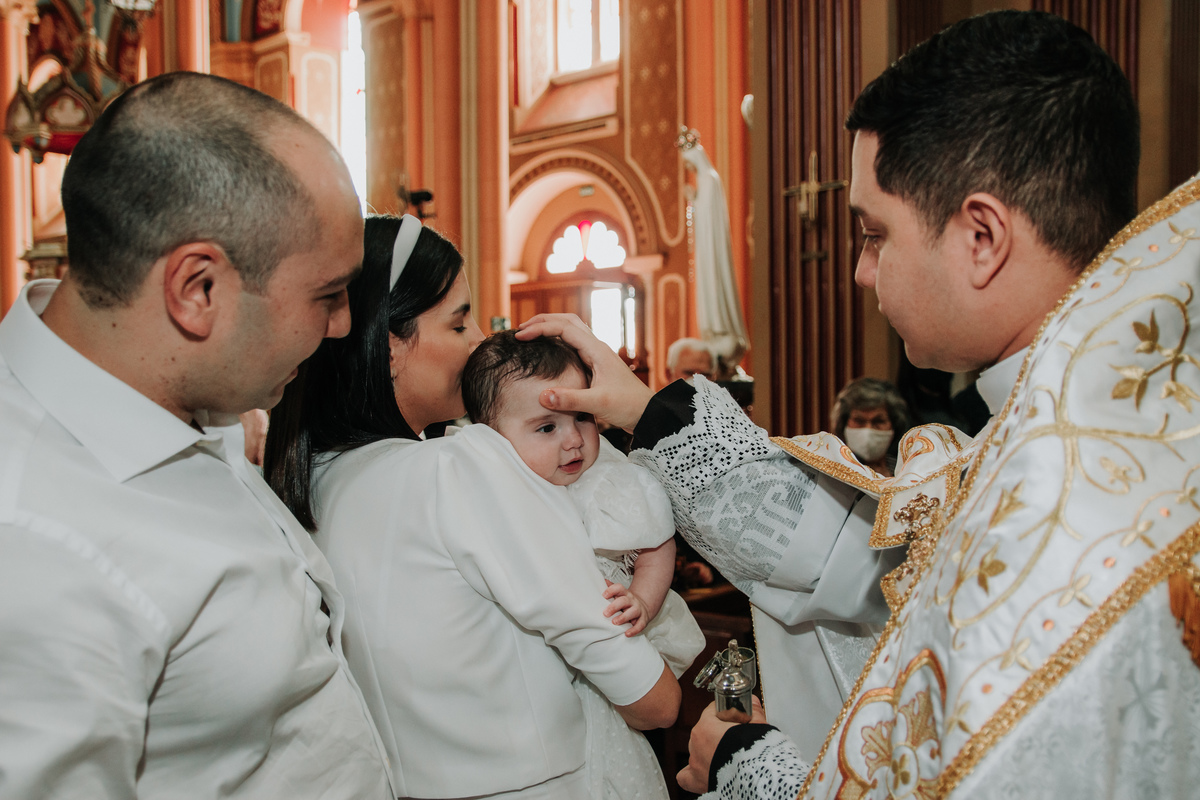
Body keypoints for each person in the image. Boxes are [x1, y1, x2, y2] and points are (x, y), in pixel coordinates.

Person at [518, 11, 1200, 799]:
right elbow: (859, 562)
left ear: (982, 236)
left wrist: (749, 768)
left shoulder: (1067, 507)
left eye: (875, 234)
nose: (861, 273)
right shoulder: (1112, 429)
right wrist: (649, 410)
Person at [0, 73, 394, 797]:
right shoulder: (31, 545)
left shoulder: (169, 388)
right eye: (328, 296)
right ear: (197, 290)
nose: (341, 327)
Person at [264, 214, 680, 800]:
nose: (481, 339)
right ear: (389, 347)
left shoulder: (308, 486)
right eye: (460, 322)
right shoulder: (461, 469)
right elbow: (655, 702)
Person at [461, 330, 707, 800]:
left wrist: (644, 599)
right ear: (492, 440)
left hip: (616, 633)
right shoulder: (490, 492)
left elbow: (657, 544)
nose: (574, 440)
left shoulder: (611, 480)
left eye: (582, 418)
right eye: (546, 427)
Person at [830, 377, 912, 477]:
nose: (868, 428)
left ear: (894, 425)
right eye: (859, 420)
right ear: (843, 424)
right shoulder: (828, 471)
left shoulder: (907, 473)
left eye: (878, 421)